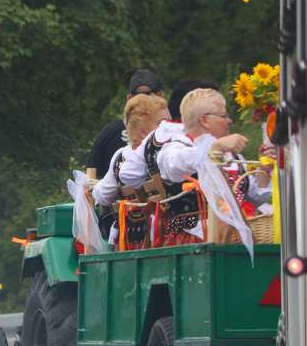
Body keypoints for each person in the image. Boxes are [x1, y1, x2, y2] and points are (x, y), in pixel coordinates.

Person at [157, 88, 273, 245]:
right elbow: (175, 166)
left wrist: (264, 171)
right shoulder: (175, 148)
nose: (229, 120)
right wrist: (214, 147)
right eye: (223, 115)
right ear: (204, 120)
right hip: (195, 243)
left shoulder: (232, 156)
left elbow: (251, 198)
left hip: (237, 237)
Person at [92, 94, 169, 248]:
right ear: (142, 132)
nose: (168, 127)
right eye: (162, 123)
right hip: (166, 238)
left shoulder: (120, 157)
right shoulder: (166, 153)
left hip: (132, 242)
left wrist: (96, 185)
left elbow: (102, 196)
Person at [86, 69, 165, 179]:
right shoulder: (175, 133)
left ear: (128, 99)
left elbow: (92, 180)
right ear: (162, 97)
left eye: (147, 96)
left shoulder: (109, 133)